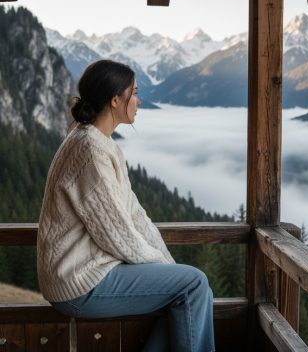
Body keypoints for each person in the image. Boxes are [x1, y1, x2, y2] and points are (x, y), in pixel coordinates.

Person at [37, 59, 215, 352]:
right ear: (116, 100)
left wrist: (168, 267)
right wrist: (169, 270)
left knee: (185, 288)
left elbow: (135, 214)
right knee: (194, 284)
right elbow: (117, 234)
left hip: (85, 274)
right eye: (134, 93)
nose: (138, 100)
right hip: (78, 283)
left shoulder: (100, 143)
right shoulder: (90, 151)